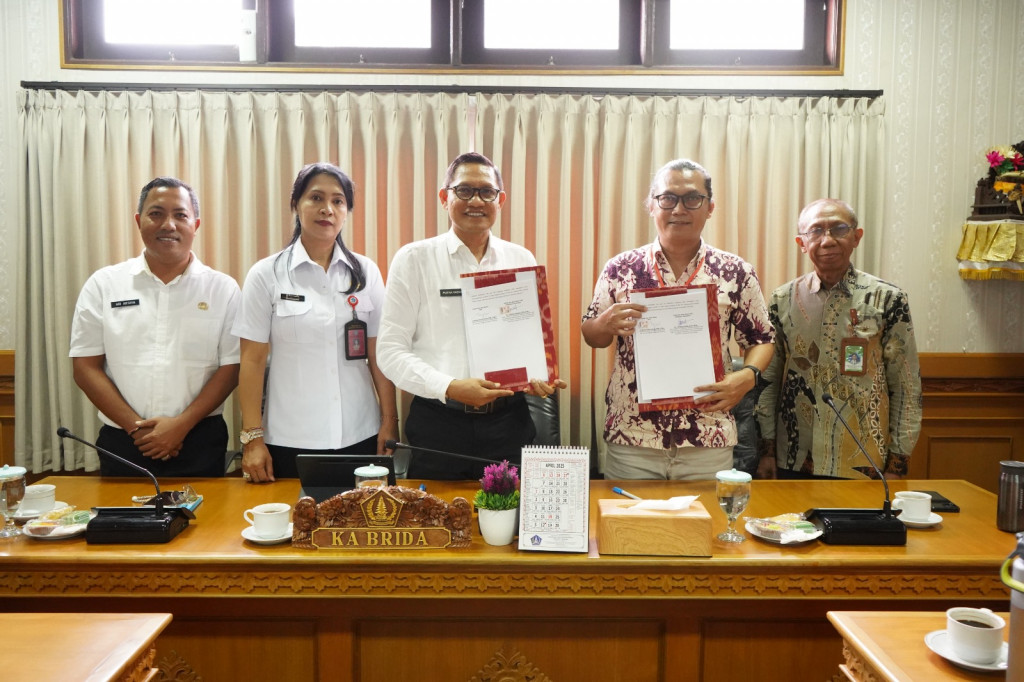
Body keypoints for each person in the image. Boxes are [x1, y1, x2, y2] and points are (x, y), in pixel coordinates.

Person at [581, 158, 775, 480]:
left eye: (692, 198)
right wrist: (603, 324)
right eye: (667, 198)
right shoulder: (621, 268)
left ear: (710, 207)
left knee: (704, 528)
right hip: (633, 437)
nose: (679, 209)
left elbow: (762, 340)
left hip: (707, 436)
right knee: (629, 529)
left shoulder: (735, 271)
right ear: (652, 206)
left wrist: (749, 376)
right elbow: (592, 335)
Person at [377, 151, 565, 480]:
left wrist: (537, 377)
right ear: (444, 198)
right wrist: (449, 387)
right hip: (438, 422)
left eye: (486, 192)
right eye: (464, 191)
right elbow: (390, 351)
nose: (475, 200)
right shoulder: (414, 259)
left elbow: (526, 342)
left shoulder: (520, 258)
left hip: (509, 422)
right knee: (438, 524)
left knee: (509, 524)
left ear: (500, 199)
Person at [233, 163, 398, 482]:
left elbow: (379, 353)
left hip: (359, 432)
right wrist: (252, 438)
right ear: (296, 204)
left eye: (338, 201)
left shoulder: (365, 273)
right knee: (297, 528)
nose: (327, 209)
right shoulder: (267, 275)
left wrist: (389, 421)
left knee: (359, 528)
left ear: (347, 210)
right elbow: (252, 361)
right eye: (316, 198)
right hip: (290, 439)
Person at [69, 176, 240, 477]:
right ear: (138, 221)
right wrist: (138, 430)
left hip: (199, 439)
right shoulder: (104, 284)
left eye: (180, 215)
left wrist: (181, 425)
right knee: (121, 523)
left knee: (209, 524)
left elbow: (231, 368)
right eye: (156, 213)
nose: (168, 225)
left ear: (195, 225)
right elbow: (85, 367)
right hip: (123, 441)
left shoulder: (222, 289)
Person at [755, 198, 922, 480]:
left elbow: (906, 384)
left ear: (856, 237)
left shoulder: (888, 300)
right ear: (802, 243)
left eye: (839, 229)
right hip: (793, 458)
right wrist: (767, 450)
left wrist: (897, 463)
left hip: (864, 461)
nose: (827, 240)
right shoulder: (782, 300)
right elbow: (768, 380)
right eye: (816, 231)